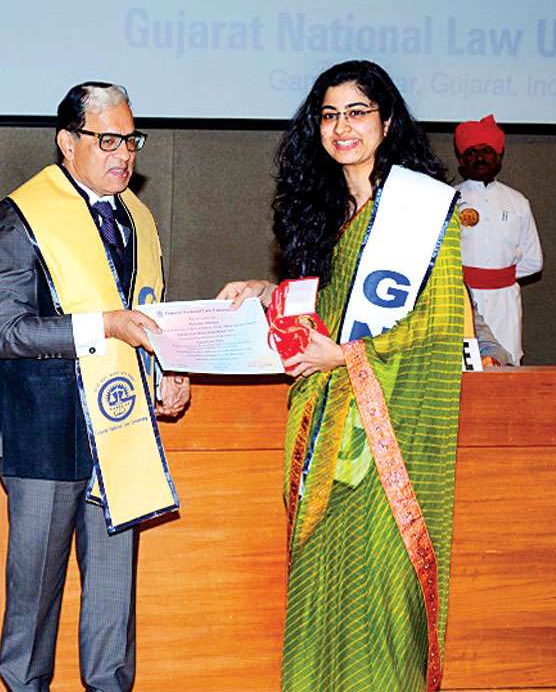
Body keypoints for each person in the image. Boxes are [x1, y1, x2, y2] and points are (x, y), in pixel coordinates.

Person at [220, 60, 463, 691]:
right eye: (329, 114)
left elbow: (434, 333)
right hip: (330, 442)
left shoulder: (421, 212)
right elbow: (325, 312)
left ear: (386, 121)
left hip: (389, 447)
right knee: (326, 589)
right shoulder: (328, 211)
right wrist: (267, 293)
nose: (342, 127)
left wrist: (348, 358)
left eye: (357, 112)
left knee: (379, 594)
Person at [0, 81, 190, 692]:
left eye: (131, 140)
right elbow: (8, 331)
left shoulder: (138, 219)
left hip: (121, 431)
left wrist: (167, 366)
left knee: (113, 603)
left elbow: (149, 314)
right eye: (107, 140)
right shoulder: (19, 217)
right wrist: (105, 325)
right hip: (45, 435)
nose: (124, 154)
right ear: (67, 143)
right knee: (34, 603)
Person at [454, 114, 543, 363]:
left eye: (486, 151)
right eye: (471, 152)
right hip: (460, 300)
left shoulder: (518, 202)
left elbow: (534, 261)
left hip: (504, 301)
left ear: (499, 157)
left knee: (506, 366)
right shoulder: (447, 199)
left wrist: (496, 279)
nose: (480, 157)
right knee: (463, 368)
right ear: (461, 160)